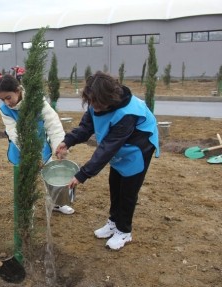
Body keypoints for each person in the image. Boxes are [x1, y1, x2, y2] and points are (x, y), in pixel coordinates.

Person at [55, 71, 159, 250]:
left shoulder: (127, 114)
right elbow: (86, 128)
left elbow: (107, 148)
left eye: (97, 103)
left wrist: (82, 174)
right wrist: (68, 141)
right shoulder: (96, 102)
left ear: (109, 98)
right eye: (91, 102)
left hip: (137, 150)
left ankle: (124, 231)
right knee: (115, 184)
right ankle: (113, 222)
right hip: (120, 148)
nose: (94, 107)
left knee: (128, 192)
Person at [0, 74, 75, 215]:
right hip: (21, 151)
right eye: (2, 99)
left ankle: (57, 203)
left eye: (8, 97)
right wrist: (30, 155)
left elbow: (52, 124)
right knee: (26, 183)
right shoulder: (5, 110)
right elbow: (14, 133)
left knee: (50, 175)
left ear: (18, 90)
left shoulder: (37, 101)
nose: (6, 103)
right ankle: (27, 211)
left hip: (41, 147)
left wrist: (60, 145)